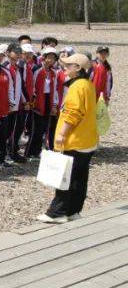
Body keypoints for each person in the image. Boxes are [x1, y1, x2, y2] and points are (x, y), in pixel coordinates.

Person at [38, 53, 98, 224]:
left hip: (75, 139)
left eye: (68, 65)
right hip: (87, 139)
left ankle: (57, 212)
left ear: (78, 68)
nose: (64, 67)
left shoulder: (77, 86)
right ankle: (74, 210)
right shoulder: (87, 84)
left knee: (66, 177)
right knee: (80, 176)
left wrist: (62, 134)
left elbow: (73, 113)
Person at [26, 47, 61, 158]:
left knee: (43, 127)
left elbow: (55, 88)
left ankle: (37, 150)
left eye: (53, 59)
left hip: (47, 100)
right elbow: (32, 86)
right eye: (49, 58)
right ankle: (29, 151)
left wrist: (55, 105)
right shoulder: (36, 69)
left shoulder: (53, 72)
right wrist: (32, 100)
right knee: (34, 128)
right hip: (37, 101)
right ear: (44, 58)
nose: (51, 60)